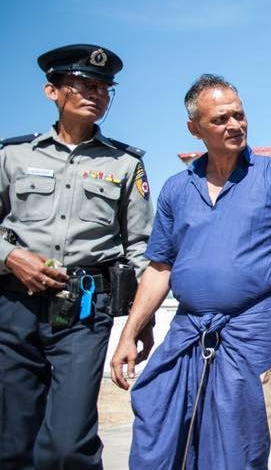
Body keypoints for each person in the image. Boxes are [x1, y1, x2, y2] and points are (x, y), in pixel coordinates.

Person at [109, 74, 271, 470]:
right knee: (159, 423)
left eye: (240, 116)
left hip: (251, 325)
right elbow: (160, 267)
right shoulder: (177, 188)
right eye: (221, 119)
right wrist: (130, 331)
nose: (235, 125)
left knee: (235, 441)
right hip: (189, 327)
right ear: (195, 129)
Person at [0, 44, 153, 469]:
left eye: (104, 88)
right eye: (85, 85)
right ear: (52, 90)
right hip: (13, 308)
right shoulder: (13, 155)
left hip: (84, 309)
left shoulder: (126, 164)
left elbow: (141, 245)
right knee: (12, 442)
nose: (96, 94)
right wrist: (11, 256)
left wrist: (141, 321)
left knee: (68, 445)